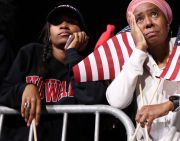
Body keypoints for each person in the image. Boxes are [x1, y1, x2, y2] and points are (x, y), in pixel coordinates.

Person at [105, 0, 180, 140]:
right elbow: (116, 101)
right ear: (134, 28)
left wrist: (172, 104)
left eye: (154, 14)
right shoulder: (134, 58)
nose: (148, 23)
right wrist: (139, 49)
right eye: (139, 19)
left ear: (167, 21)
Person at [0, 4, 109, 141]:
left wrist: (72, 53)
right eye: (57, 22)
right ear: (49, 35)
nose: (64, 25)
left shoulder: (90, 64)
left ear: (83, 34)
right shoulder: (30, 53)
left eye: (71, 21)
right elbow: (3, 92)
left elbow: (93, 98)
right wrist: (25, 89)